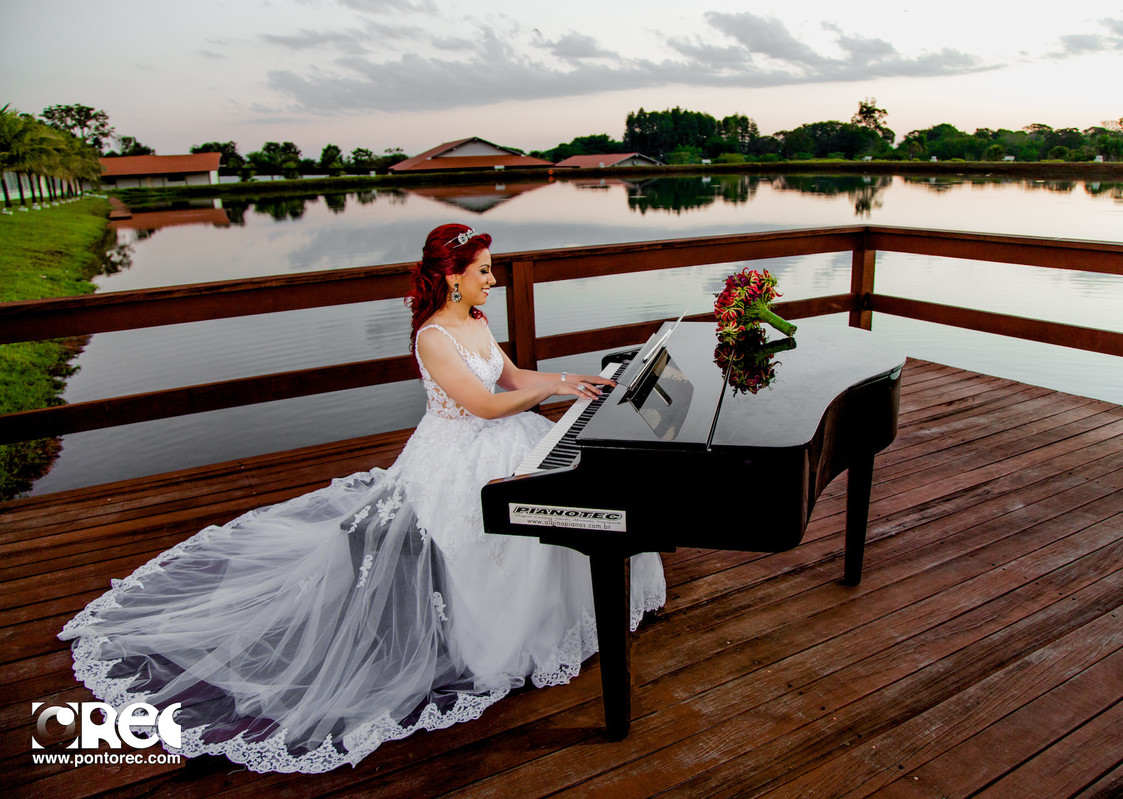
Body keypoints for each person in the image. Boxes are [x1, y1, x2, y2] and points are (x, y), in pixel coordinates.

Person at [59, 223, 667, 774]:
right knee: (488, 536)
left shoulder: (476, 322)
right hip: (459, 450)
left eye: (492, 271)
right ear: (453, 277)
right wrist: (550, 396)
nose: (492, 280)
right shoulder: (434, 337)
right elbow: (481, 405)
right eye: (483, 271)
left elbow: (508, 379)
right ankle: (488, 637)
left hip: (506, 437)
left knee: (563, 506)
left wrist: (566, 381)